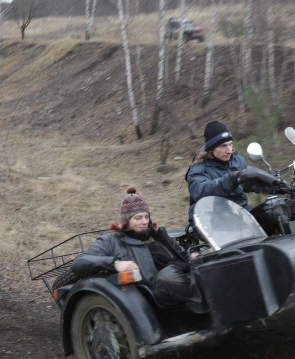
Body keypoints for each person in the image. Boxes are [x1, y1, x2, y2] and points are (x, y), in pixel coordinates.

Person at [71, 188, 205, 313]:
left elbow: (181, 255)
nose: (145, 221)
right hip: (155, 297)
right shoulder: (111, 241)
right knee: (168, 277)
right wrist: (116, 263)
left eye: (146, 217)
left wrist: (191, 256)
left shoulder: (158, 236)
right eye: (138, 218)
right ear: (126, 220)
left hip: (181, 280)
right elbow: (79, 262)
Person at [186, 120, 250, 222]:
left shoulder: (237, 161)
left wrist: (274, 183)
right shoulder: (198, 168)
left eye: (230, 144)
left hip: (240, 212)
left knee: (273, 214)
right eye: (223, 146)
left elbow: (252, 182)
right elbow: (201, 191)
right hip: (210, 218)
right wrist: (230, 180)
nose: (229, 150)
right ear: (211, 149)